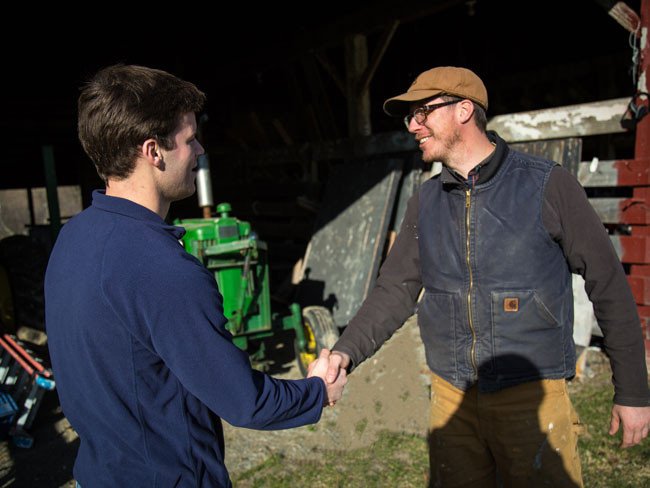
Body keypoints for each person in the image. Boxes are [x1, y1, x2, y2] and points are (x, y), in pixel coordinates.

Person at [324, 66, 650, 487]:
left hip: (532, 397)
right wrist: (344, 353)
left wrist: (634, 393)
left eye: (423, 112)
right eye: (410, 117)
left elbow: (608, 284)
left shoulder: (548, 186)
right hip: (450, 398)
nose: (412, 126)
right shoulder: (425, 202)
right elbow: (394, 290)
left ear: (463, 110)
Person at [44, 64, 347, 488]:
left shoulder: (72, 239)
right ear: (153, 151)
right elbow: (245, 402)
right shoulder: (162, 269)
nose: (200, 150)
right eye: (189, 140)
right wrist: (316, 393)